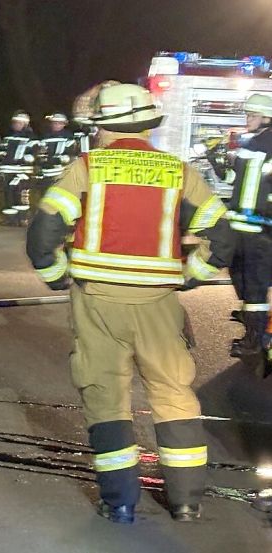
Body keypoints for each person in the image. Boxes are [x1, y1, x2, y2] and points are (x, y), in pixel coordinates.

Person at [26, 82, 234, 524]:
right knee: (174, 395)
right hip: (159, 304)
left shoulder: (87, 168)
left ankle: (120, 502)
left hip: (97, 303)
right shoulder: (180, 172)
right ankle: (185, 502)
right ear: (147, 125)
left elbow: (43, 234)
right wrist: (187, 277)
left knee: (106, 398)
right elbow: (223, 237)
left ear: (103, 127)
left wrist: (58, 276)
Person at [225, 93, 272, 372]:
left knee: (255, 286)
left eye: (252, 115)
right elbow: (238, 181)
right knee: (242, 279)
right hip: (241, 227)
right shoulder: (251, 143)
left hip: (260, 229)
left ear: (267, 117)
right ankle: (254, 325)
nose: (248, 119)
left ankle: (254, 340)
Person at [0, 110, 37, 225]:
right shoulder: (8, 136)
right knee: (8, 194)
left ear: (25, 124)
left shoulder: (31, 138)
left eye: (19, 123)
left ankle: (23, 218)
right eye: (15, 122)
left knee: (22, 194)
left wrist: (23, 159)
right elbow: (2, 151)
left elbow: (33, 155)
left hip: (23, 172)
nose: (16, 125)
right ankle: (11, 219)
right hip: (8, 170)